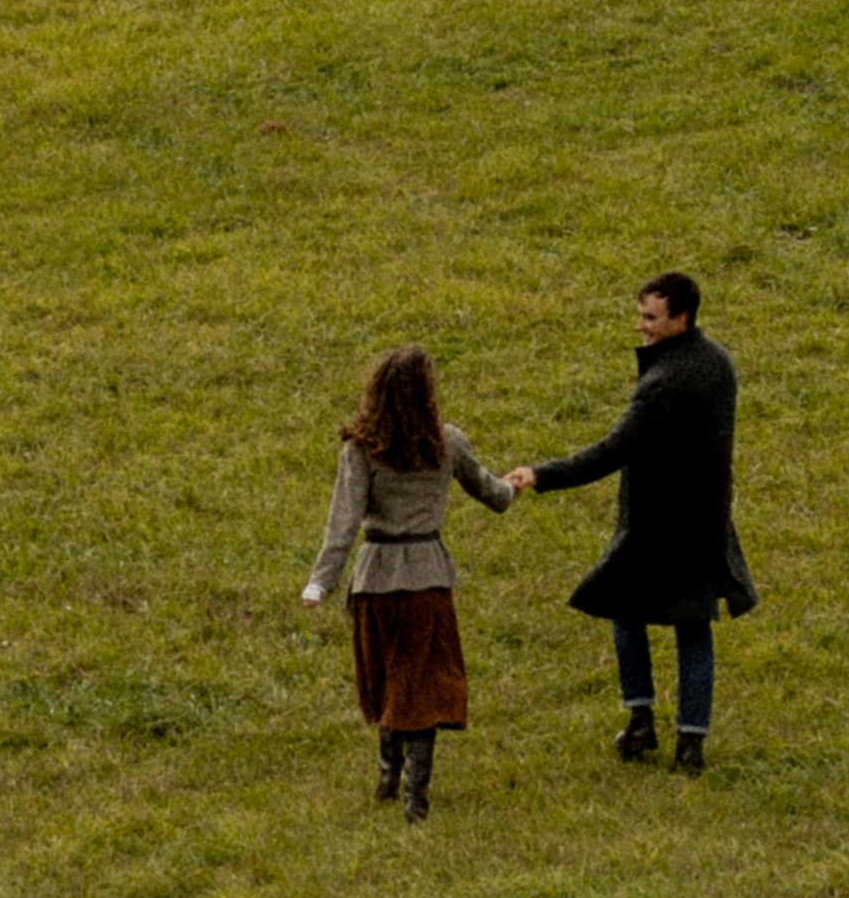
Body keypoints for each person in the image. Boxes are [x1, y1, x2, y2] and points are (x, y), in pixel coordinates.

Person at [519, 268, 751, 769]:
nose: (640, 325)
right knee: (694, 629)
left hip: (654, 522)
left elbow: (611, 451)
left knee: (624, 608)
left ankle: (641, 719)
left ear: (681, 319)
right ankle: (691, 742)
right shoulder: (720, 364)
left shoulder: (663, 382)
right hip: (705, 519)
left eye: (650, 317)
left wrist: (541, 475)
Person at [295, 343, 516, 819]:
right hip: (428, 579)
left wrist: (321, 582)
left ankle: (387, 778)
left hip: (375, 580)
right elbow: (492, 495)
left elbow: (344, 521)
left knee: (389, 678)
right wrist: (515, 485)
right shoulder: (447, 441)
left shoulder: (360, 449)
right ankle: (417, 797)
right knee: (424, 685)